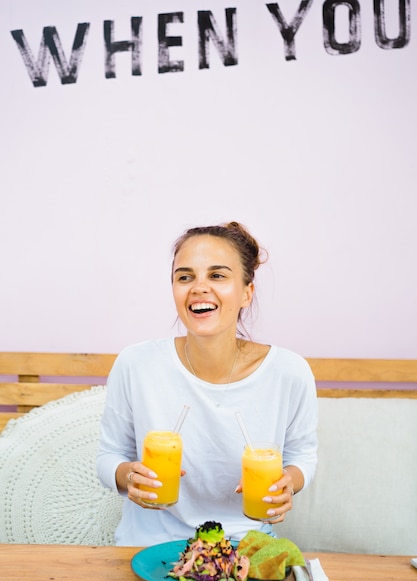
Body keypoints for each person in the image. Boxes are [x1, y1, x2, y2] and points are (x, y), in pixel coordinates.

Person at [96, 222, 318, 546]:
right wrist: (128, 475)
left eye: (217, 275)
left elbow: (303, 456)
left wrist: (290, 482)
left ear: (246, 292)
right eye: (185, 277)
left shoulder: (289, 372)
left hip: (244, 545)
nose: (199, 287)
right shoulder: (136, 364)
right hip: (147, 546)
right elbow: (109, 455)